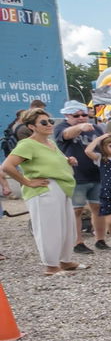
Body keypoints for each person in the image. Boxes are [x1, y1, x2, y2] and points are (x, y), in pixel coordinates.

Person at [1, 107, 84, 274]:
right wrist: (27, 182)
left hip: (62, 187)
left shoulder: (50, 143)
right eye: (44, 122)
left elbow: (54, 161)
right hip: (45, 189)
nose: (49, 124)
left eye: (50, 121)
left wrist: (69, 161)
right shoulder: (27, 144)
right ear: (31, 126)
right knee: (49, 228)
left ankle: (65, 261)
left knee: (66, 226)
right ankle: (51, 265)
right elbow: (7, 166)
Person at [54, 102, 104, 254]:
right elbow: (66, 135)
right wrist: (80, 127)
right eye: (76, 115)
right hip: (76, 176)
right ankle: (78, 242)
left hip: (96, 174)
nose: (81, 118)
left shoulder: (96, 128)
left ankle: (100, 239)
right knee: (76, 210)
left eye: (84, 115)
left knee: (98, 208)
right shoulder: (61, 127)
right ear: (67, 116)